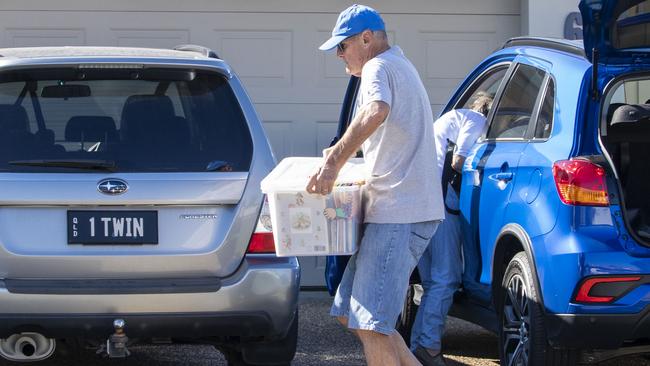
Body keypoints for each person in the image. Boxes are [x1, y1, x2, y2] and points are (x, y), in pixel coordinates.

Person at [307, 4, 444, 366]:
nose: (339, 55)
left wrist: (333, 162)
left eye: (343, 46)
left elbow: (376, 110)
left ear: (366, 38)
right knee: (348, 311)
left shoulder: (377, 67)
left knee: (371, 326)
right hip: (403, 211)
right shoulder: (399, 65)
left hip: (399, 214)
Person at [410, 92, 493, 366]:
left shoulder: (449, 119)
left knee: (433, 281)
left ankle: (419, 346)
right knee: (446, 278)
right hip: (439, 203)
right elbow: (459, 160)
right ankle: (429, 346)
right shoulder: (477, 119)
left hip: (418, 201)